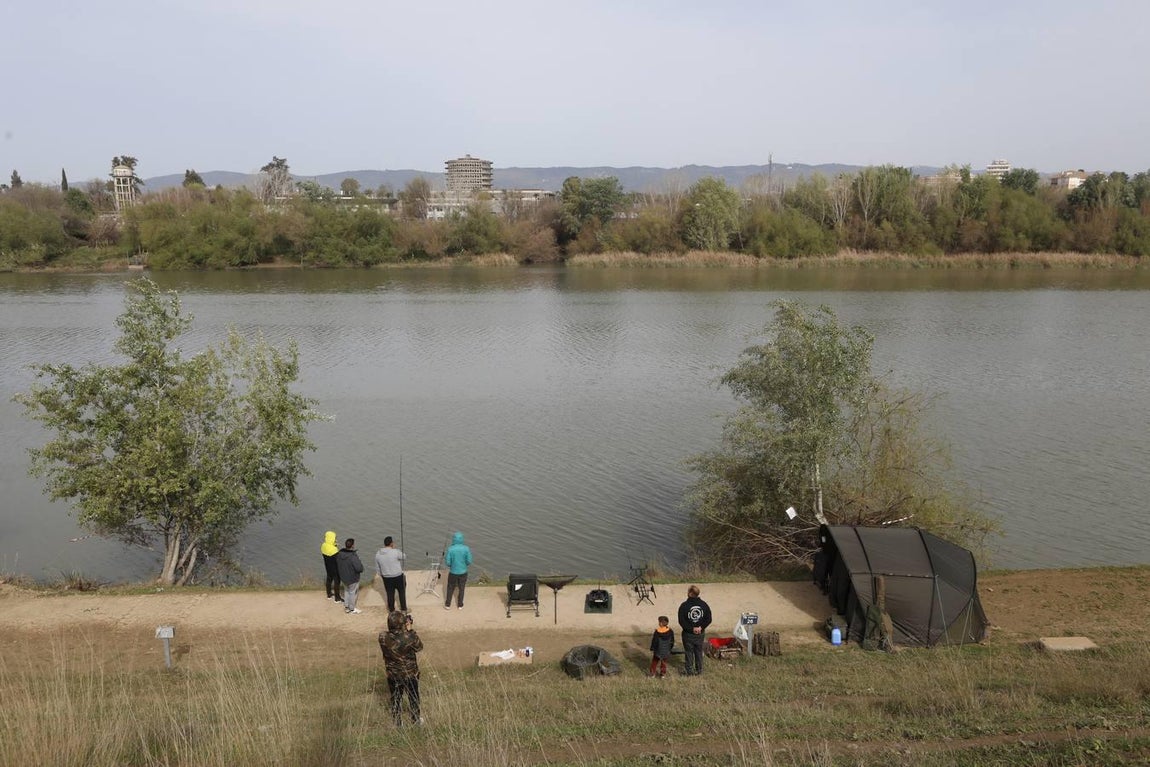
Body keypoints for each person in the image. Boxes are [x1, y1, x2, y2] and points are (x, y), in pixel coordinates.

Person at [378, 610, 424, 726]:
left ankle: (397, 723)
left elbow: (393, 636)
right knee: (413, 697)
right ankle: (415, 720)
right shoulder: (409, 637)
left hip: (393, 675)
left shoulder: (383, 637)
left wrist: (404, 629)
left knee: (396, 698)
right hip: (410, 674)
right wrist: (410, 630)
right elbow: (419, 647)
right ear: (402, 624)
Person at [677, 584, 712, 676]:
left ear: (690, 593)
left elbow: (681, 621)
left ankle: (689, 671)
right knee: (698, 651)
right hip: (700, 634)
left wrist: (692, 629)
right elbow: (708, 619)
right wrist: (701, 627)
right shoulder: (704, 605)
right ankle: (699, 670)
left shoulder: (684, 606)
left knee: (689, 652)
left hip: (688, 634)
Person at [375, 536, 408, 613]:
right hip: (398, 576)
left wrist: (382, 575)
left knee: (390, 593)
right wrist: (397, 550)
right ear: (391, 543)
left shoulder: (378, 554)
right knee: (402, 592)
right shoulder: (395, 552)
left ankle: (391, 610)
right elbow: (404, 556)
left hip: (386, 577)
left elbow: (377, 568)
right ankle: (403, 609)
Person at [443, 531, 472, 610]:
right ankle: (460, 605)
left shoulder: (450, 549)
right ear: (462, 539)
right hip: (463, 572)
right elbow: (469, 561)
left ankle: (448, 604)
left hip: (453, 572)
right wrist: (464, 564)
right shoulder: (466, 549)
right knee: (462, 588)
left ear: (454, 539)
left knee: (450, 587)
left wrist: (453, 565)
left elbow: (448, 563)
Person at [336, 538, 364, 614]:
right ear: (352, 546)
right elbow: (359, 568)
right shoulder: (353, 556)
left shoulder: (339, 554)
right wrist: (360, 564)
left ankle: (347, 607)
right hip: (353, 578)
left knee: (346, 591)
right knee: (352, 593)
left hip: (344, 577)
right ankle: (352, 609)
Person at [321, 530, 342, 603]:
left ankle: (329, 594)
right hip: (335, 567)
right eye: (335, 538)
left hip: (327, 566)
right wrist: (336, 548)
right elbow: (337, 559)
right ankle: (337, 598)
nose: (336, 539)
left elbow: (328, 552)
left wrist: (334, 545)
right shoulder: (334, 549)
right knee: (337, 581)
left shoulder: (323, 545)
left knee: (329, 579)